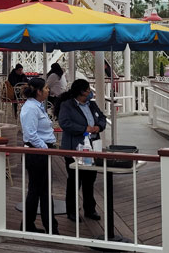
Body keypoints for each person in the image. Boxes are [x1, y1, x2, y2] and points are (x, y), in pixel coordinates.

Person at [58, 79, 106, 222]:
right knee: (74, 179)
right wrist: (83, 129)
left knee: (90, 179)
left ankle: (90, 209)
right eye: (87, 90)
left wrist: (99, 127)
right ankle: (71, 211)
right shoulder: (67, 105)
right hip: (74, 147)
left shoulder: (92, 104)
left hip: (92, 146)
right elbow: (65, 123)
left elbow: (102, 117)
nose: (90, 92)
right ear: (82, 91)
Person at [19, 77, 58, 234]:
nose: (48, 90)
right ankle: (43, 226)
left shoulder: (37, 106)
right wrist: (44, 148)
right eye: (46, 88)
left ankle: (38, 225)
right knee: (37, 190)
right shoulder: (31, 108)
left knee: (41, 190)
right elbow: (30, 134)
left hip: (41, 150)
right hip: (38, 152)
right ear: (39, 91)